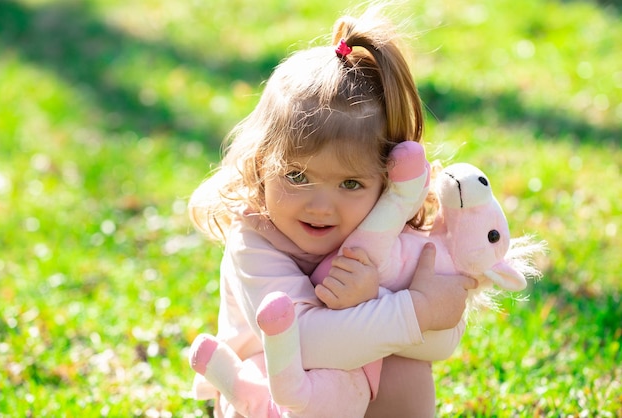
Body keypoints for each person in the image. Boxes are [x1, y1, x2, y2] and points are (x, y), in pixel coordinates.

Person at [188, 5, 477, 417]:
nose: (321, 207)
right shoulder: (254, 241)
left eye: (350, 184)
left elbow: (443, 338)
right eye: (297, 176)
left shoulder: (385, 225)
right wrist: (417, 309)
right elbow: (302, 343)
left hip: (358, 385)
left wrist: (377, 299)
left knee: (403, 365)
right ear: (260, 163)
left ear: (387, 183)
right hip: (273, 388)